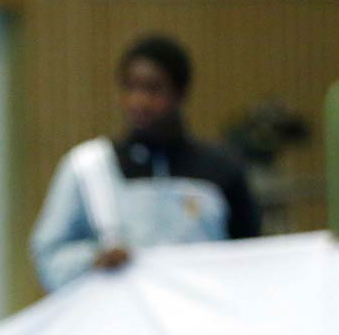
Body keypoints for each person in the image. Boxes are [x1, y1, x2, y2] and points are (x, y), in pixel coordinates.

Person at [30, 33, 260, 291]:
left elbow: (251, 261)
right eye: (130, 88)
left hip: (200, 324)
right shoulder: (88, 168)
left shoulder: (221, 169)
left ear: (180, 92)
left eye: (153, 89)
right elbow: (48, 258)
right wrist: (93, 259)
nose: (139, 101)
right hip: (117, 324)